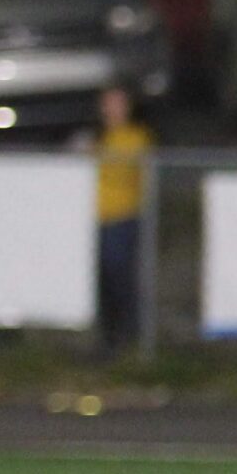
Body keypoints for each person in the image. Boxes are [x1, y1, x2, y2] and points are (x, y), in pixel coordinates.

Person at [88, 85, 155, 354]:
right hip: (95, 219)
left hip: (122, 217)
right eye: (108, 103)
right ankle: (107, 334)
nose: (112, 109)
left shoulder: (136, 137)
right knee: (100, 279)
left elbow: (124, 171)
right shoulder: (97, 136)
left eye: (118, 103)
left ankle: (128, 332)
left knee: (120, 276)